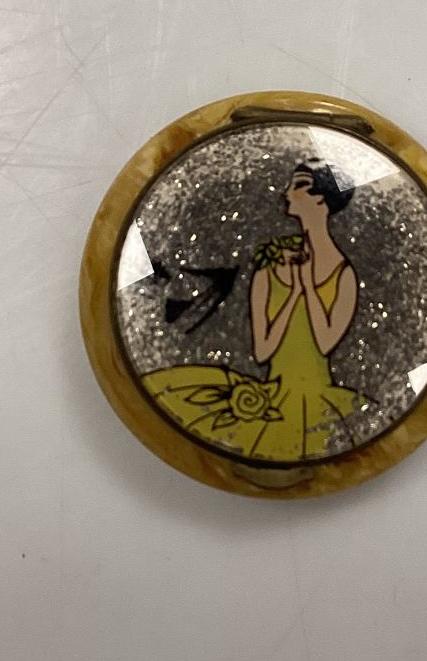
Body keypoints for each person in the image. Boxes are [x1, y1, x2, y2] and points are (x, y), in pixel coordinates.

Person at [143, 160, 363, 460]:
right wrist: (293, 294)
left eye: (299, 185)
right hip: (271, 393)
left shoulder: (344, 275)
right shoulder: (271, 261)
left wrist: (307, 287)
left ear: (321, 200)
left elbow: (325, 343)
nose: (286, 192)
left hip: (323, 402)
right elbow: (262, 351)